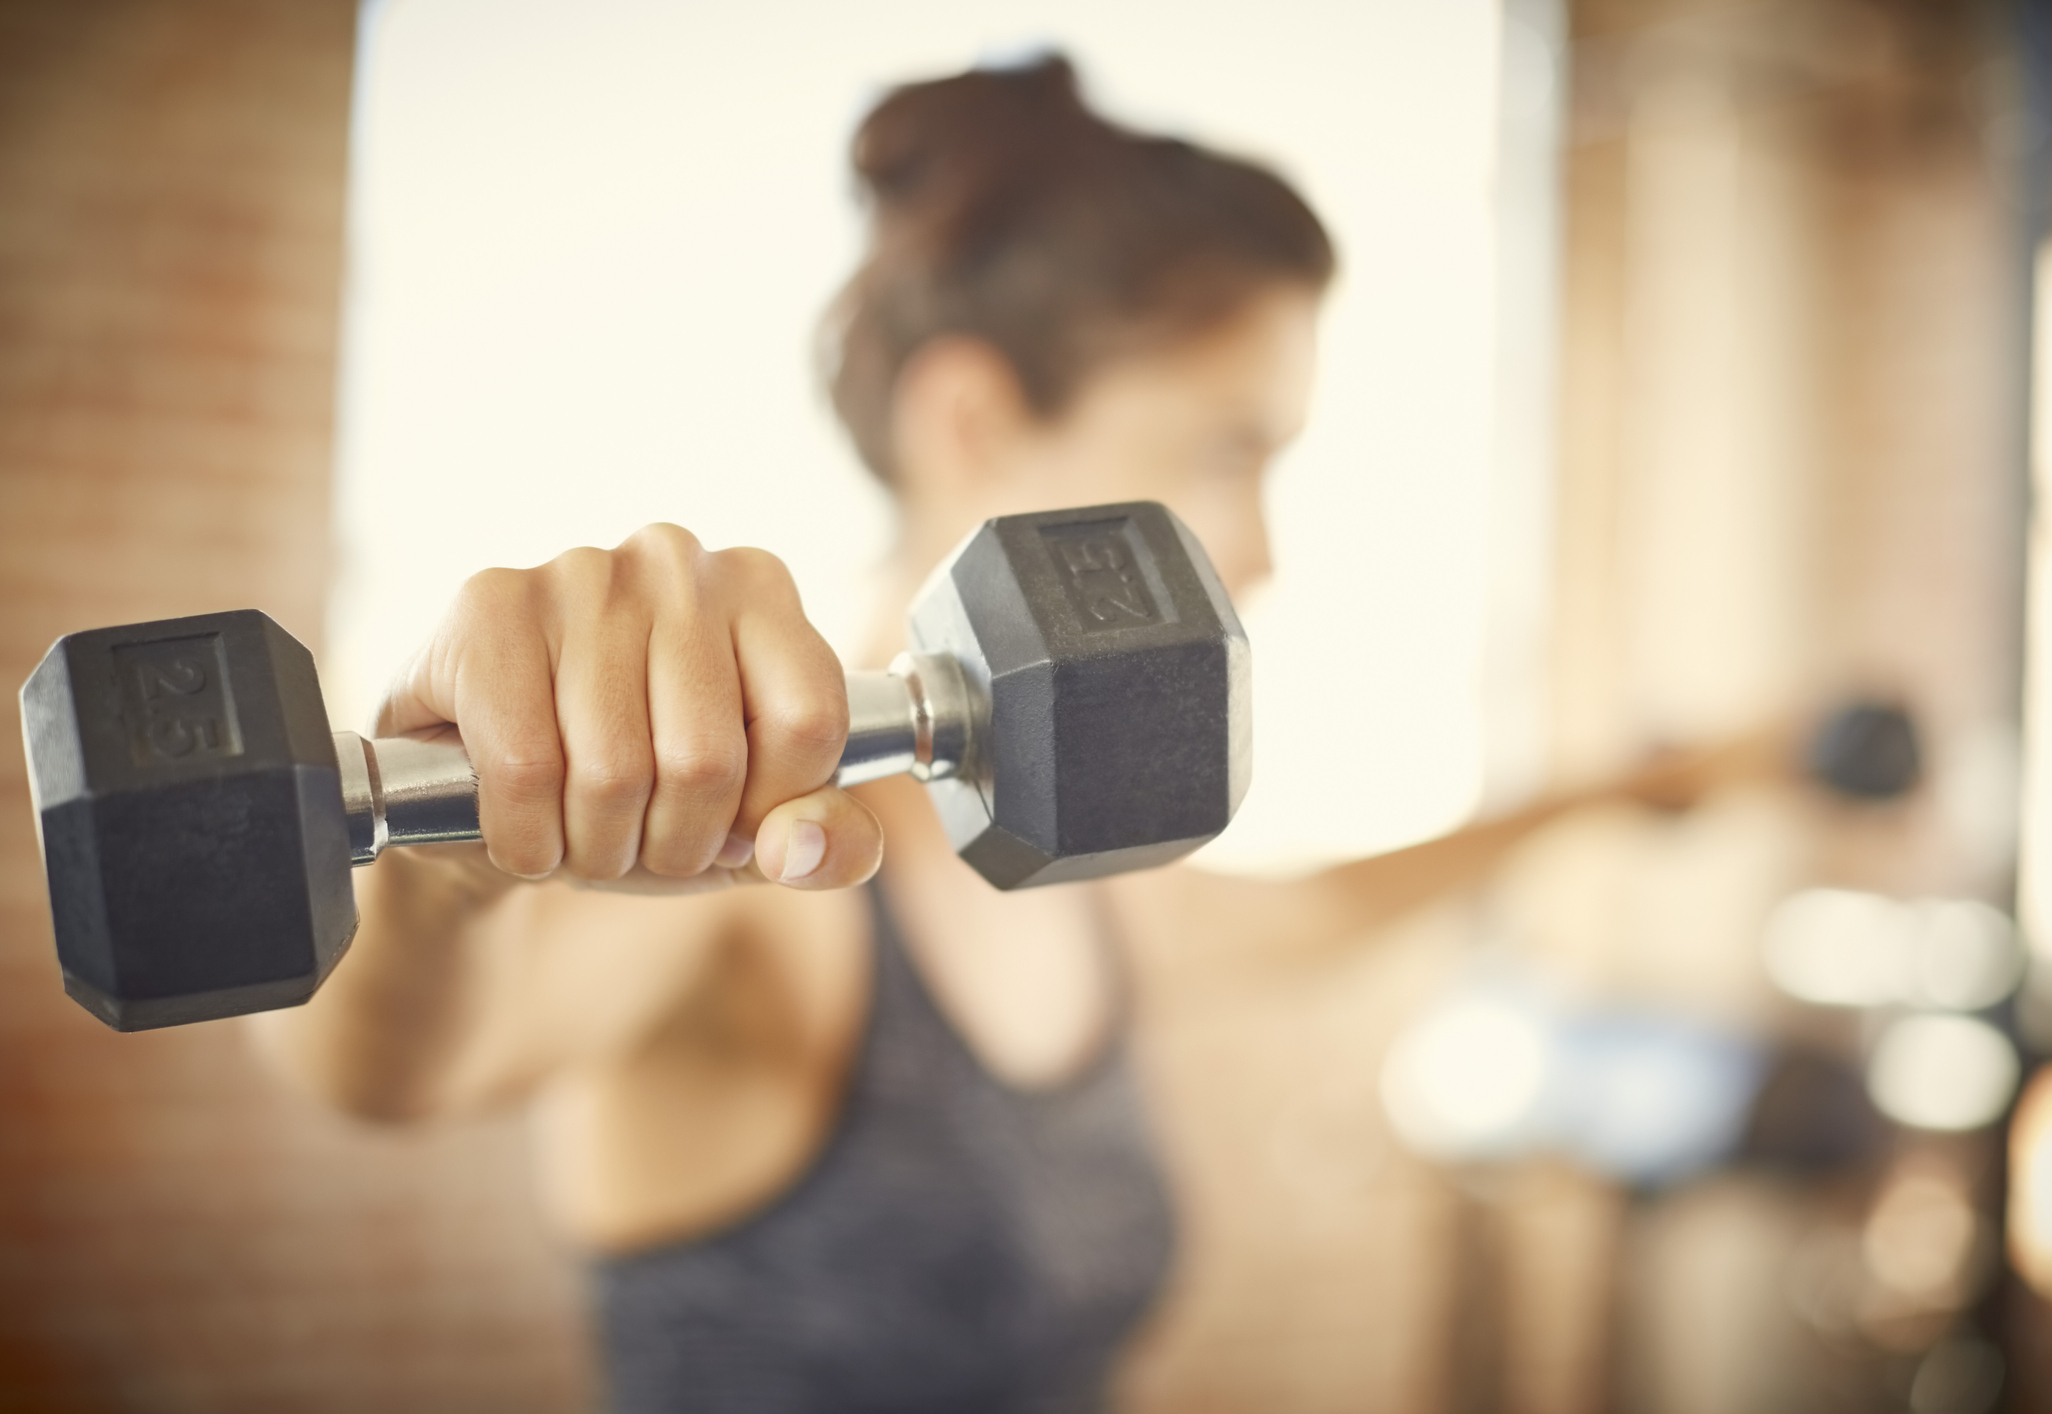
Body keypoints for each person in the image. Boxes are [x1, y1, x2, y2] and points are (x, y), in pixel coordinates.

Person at [255, 56, 1776, 1413]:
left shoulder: (1055, 844)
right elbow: (394, 1068)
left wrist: (1620, 791)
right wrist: (447, 869)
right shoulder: (761, 864)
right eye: (1227, 447)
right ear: (971, 421)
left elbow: (1309, 914)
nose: (1262, 548)